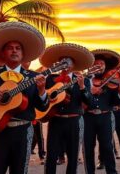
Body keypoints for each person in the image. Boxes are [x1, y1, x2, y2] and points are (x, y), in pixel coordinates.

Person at [0, 21, 49, 174]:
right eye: (10, 48)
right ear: (3, 53)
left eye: (18, 48)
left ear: (23, 53)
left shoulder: (34, 77)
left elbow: (43, 108)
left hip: (23, 131)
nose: (14, 51)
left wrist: (41, 91)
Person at [40, 43, 94, 174]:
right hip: (55, 120)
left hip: (74, 121)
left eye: (68, 61)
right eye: (62, 61)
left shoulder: (83, 80)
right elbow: (42, 97)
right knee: (51, 155)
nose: (64, 63)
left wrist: (82, 87)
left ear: (73, 65)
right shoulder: (51, 79)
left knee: (73, 155)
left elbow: (89, 102)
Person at [83, 49, 120, 174]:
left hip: (105, 117)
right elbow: (79, 97)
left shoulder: (110, 82)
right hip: (88, 117)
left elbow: (116, 102)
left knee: (107, 146)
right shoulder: (84, 80)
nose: (99, 66)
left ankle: (112, 172)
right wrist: (89, 92)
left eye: (102, 64)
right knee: (88, 147)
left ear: (105, 67)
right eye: (97, 63)